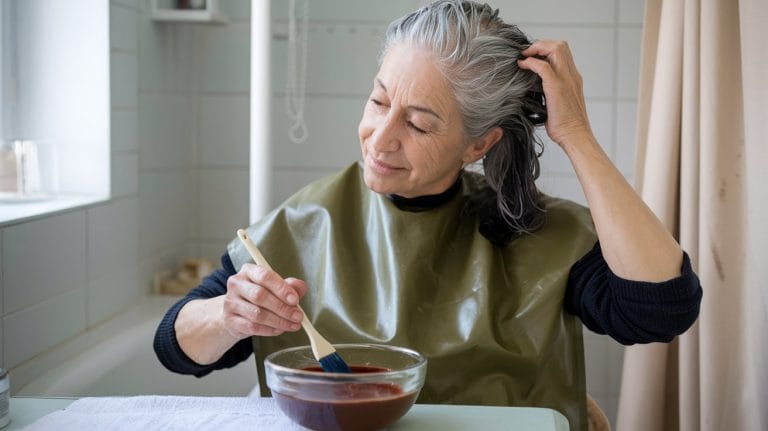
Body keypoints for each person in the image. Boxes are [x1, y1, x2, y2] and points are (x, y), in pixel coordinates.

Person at [154, 1, 702, 429]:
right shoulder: (304, 222)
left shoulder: (542, 236)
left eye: (417, 125)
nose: (381, 138)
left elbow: (659, 310)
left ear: (477, 145)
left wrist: (576, 136)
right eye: (377, 101)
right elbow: (176, 349)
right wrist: (228, 315)